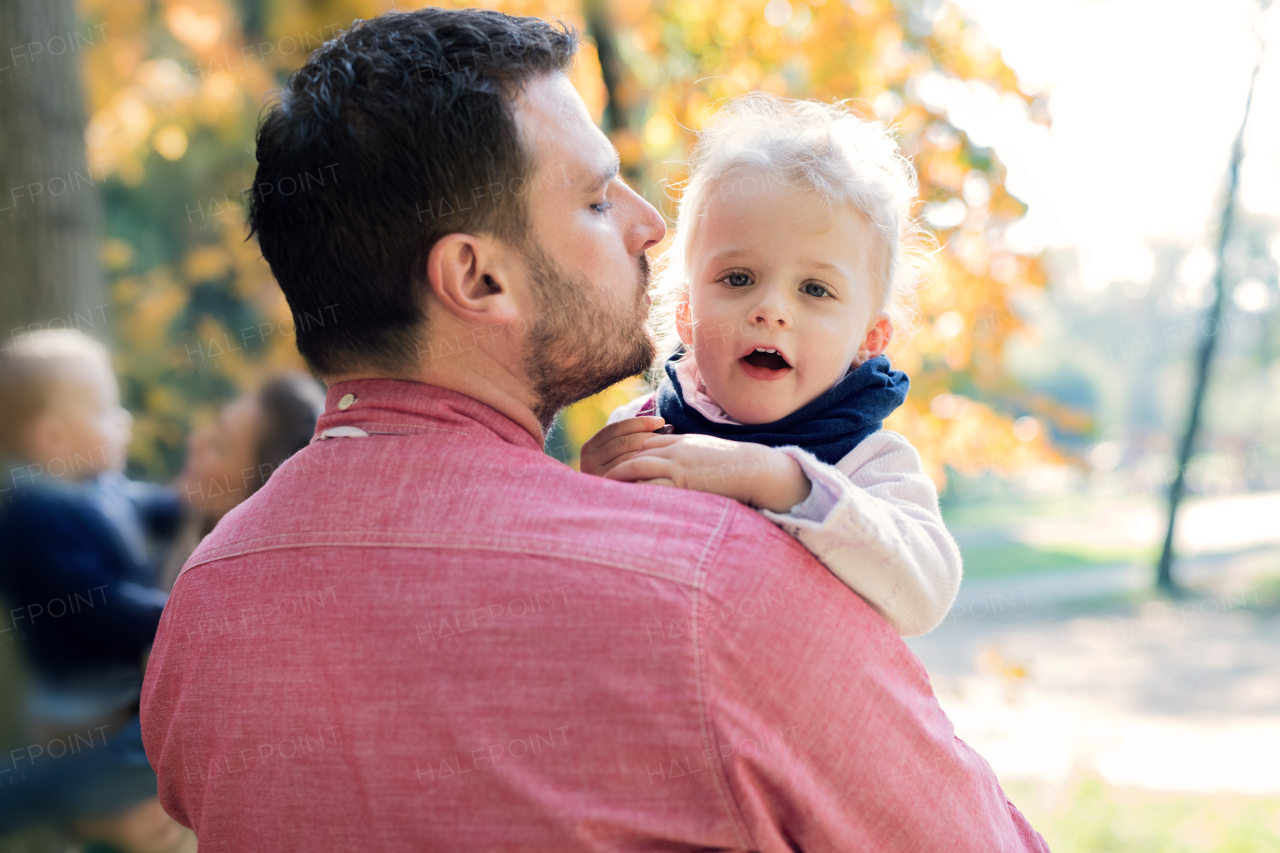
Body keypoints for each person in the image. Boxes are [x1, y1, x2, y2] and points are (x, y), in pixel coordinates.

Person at [140, 9, 1050, 851]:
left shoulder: (207, 602)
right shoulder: (715, 583)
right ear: (477, 277)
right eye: (594, 198)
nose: (649, 225)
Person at [581, 93, 959, 638]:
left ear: (869, 339)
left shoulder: (865, 459)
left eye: (815, 289)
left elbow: (926, 592)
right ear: (686, 314)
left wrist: (781, 481)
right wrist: (589, 492)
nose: (771, 310)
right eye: (738, 278)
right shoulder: (645, 427)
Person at [0, 330, 192, 852]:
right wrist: (177, 613)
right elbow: (96, 604)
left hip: (117, 689)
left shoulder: (98, 489)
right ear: (53, 440)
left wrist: (187, 497)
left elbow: (149, 509)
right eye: (107, 411)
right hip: (85, 706)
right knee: (91, 782)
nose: (124, 421)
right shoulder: (33, 515)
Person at [157, 370, 325, 592]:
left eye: (219, 445)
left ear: (257, 498)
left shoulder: (222, 601)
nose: (195, 440)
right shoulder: (186, 524)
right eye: (216, 424)